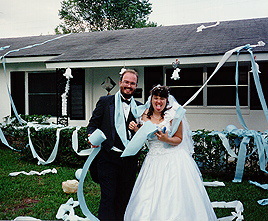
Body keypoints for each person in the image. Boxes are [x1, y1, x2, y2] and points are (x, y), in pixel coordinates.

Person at [124, 85, 217, 221]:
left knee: (174, 195)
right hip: (153, 160)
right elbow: (144, 138)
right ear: (151, 99)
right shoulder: (143, 115)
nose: (158, 102)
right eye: (156, 98)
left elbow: (179, 139)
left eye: (162, 98)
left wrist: (166, 139)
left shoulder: (173, 115)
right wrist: (137, 131)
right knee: (149, 195)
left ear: (167, 100)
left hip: (174, 159)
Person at [87, 69, 142, 221]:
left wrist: (138, 130)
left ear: (136, 86)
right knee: (108, 198)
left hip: (129, 160)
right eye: (126, 82)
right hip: (108, 158)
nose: (129, 86)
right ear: (120, 83)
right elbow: (93, 124)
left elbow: (143, 135)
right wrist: (91, 135)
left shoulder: (140, 107)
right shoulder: (105, 102)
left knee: (124, 198)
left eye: (132, 83)